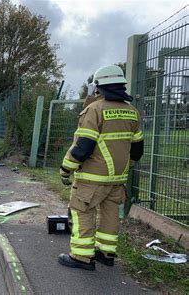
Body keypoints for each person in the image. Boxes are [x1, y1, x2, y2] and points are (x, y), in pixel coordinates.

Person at [58, 65, 144, 271]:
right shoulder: (132, 112)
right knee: (110, 213)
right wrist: (125, 167)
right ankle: (106, 253)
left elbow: (83, 146)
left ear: (99, 87)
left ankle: (81, 256)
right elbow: (137, 148)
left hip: (91, 178)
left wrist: (66, 168)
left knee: (82, 212)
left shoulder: (94, 110)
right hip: (117, 179)